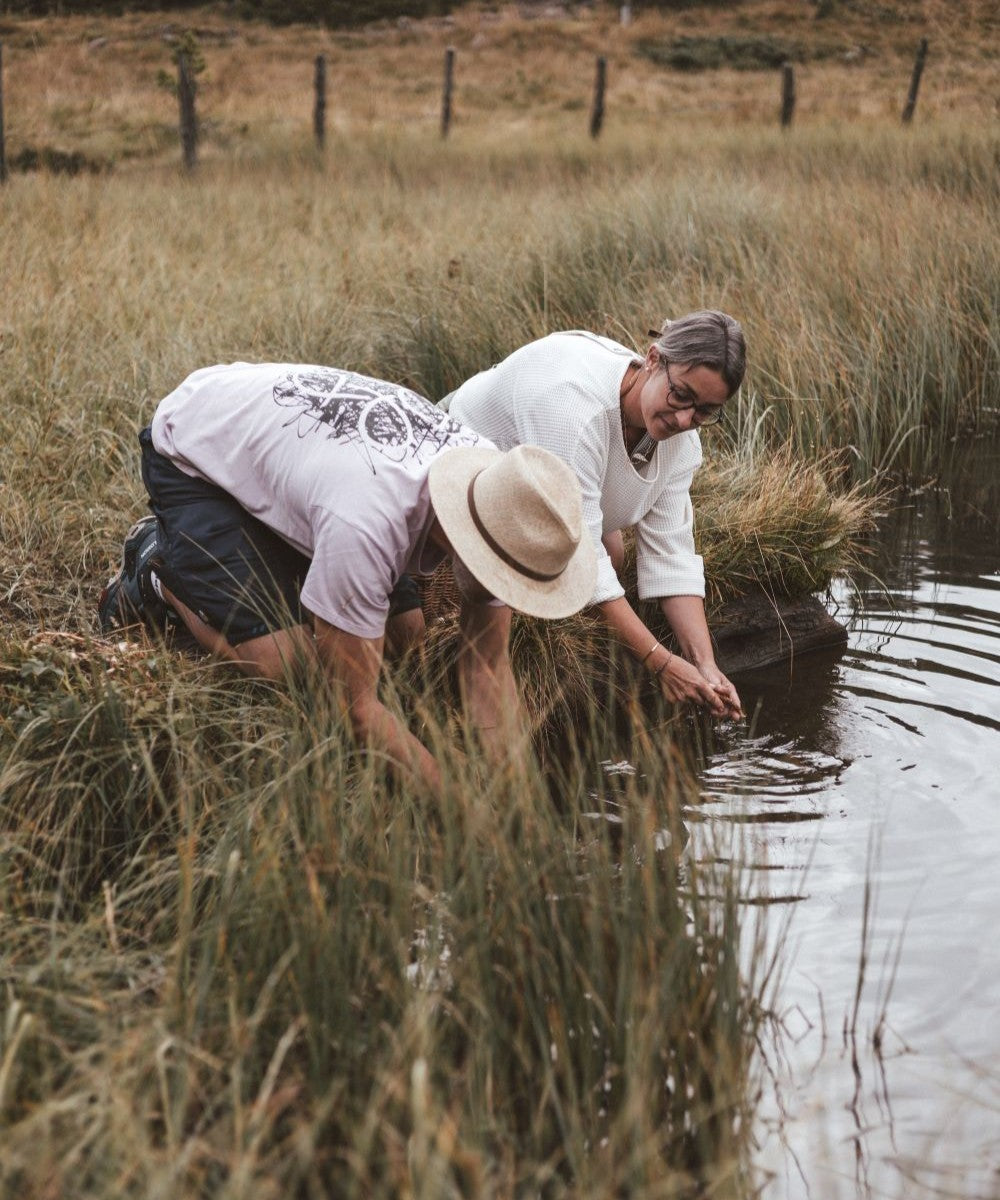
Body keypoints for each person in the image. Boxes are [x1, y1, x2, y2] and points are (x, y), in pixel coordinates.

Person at [98, 362, 596, 792]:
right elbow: (356, 709)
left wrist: (517, 797)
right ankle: (153, 569)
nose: (502, 590)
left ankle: (272, 560)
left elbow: (486, 667)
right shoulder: (370, 522)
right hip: (194, 448)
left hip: (297, 460)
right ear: (469, 538)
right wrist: (464, 807)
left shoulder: (504, 497)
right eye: (499, 577)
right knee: (289, 664)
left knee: (407, 639)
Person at [446, 310, 746, 720]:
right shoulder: (574, 406)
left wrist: (706, 665)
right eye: (681, 396)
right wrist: (660, 662)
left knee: (614, 553)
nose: (683, 420)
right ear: (654, 359)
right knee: (589, 559)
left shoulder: (682, 442)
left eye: (704, 412)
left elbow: (671, 552)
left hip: (535, 495)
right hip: (458, 466)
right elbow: (582, 559)